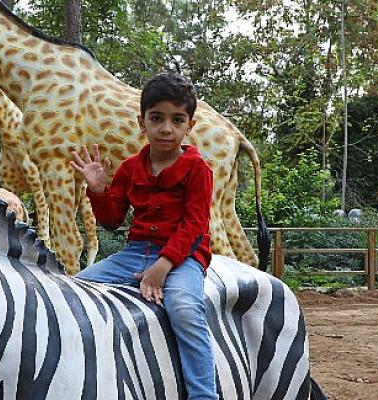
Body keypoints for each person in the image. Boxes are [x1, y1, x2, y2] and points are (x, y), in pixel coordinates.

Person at [70, 72, 217, 399]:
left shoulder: (198, 170)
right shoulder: (130, 168)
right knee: (76, 289)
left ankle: (204, 395)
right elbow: (111, 220)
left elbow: (195, 226)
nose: (166, 128)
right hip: (136, 252)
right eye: (157, 118)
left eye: (177, 120)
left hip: (184, 257)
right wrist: (97, 190)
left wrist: (163, 267)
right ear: (142, 122)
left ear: (189, 126)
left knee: (184, 308)